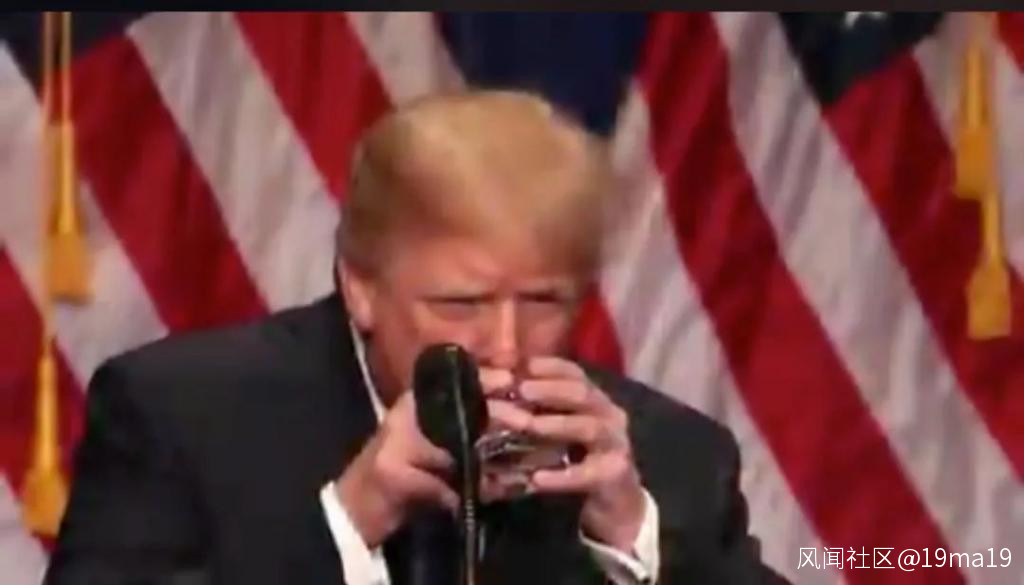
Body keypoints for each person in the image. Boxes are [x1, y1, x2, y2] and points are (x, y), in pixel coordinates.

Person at [45, 90, 778, 584]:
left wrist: (637, 545)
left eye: (543, 301)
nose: (505, 346)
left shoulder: (670, 455)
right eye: (461, 303)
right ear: (360, 287)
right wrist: (348, 524)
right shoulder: (181, 418)